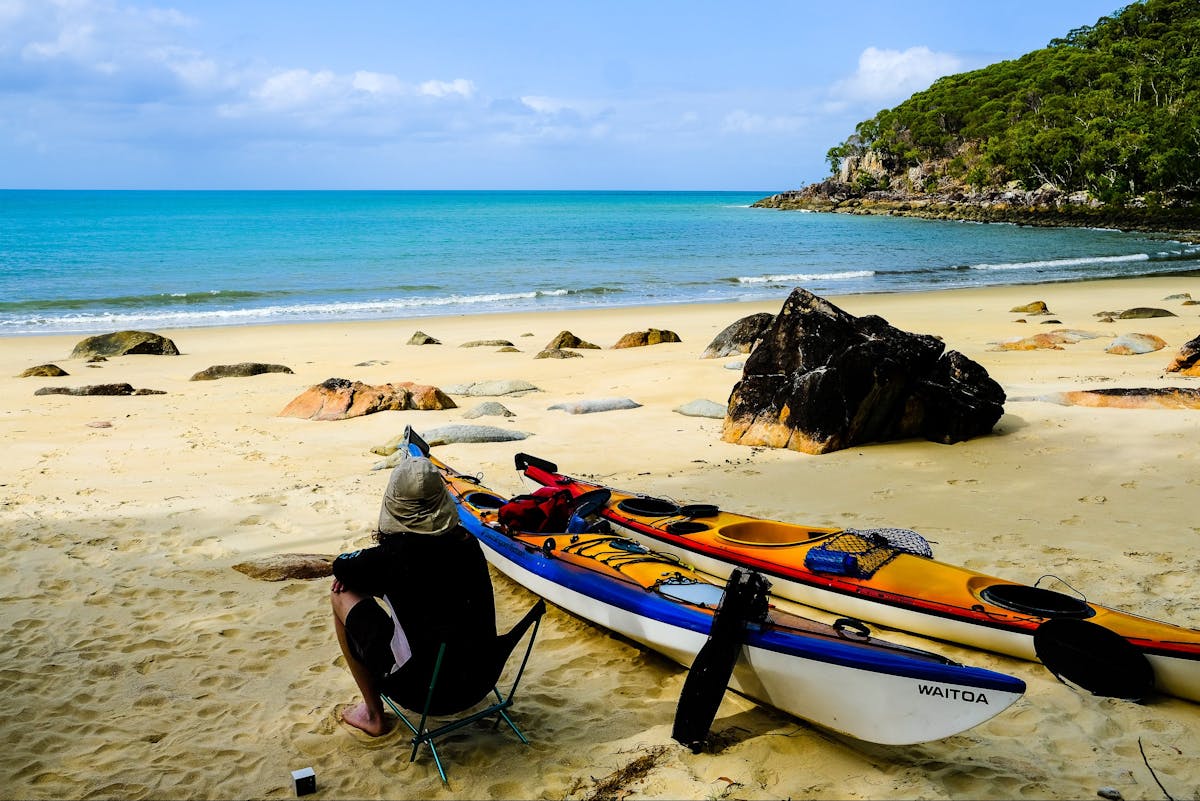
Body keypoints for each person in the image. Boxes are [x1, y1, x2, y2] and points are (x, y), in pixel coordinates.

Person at [331, 452, 496, 736]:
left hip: (421, 693)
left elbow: (341, 566)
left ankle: (373, 714)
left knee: (340, 595)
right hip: (480, 679)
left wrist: (357, 576)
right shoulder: (468, 543)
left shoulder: (390, 558)